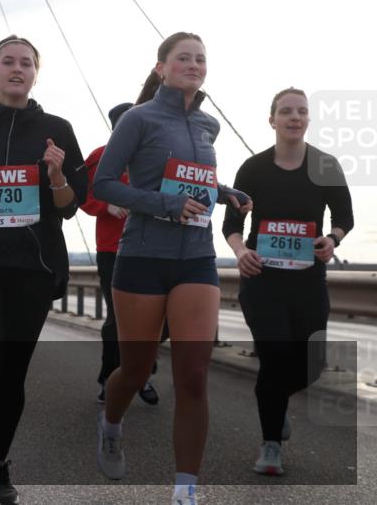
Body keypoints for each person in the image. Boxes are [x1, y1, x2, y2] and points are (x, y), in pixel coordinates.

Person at [93, 33, 252, 504]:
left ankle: (186, 491)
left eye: (200, 59)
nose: (194, 64)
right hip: (142, 257)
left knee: (193, 376)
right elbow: (103, 184)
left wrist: (224, 193)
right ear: (161, 67)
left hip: (197, 260)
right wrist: (165, 205)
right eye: (183, 57)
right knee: (136, 368)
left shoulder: (208, 126)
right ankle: (111, 423)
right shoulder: (138, 120)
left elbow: (192, 177)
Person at [0, 36, 87, 505]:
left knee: (13, 373)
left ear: (34, 74)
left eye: (26, 63)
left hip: (33, 268)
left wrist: (57, 178)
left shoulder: (57, 130)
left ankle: (0, 461)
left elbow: (70, 207)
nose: (17, 68)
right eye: (8, 61)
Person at [223, 88, 354, 476]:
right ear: (272, 120)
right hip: (262, 280)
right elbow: (232, 225)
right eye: (286, 111)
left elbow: (344, 216)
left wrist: (332, 240)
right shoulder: (253, 168)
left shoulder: (325, 166)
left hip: (308, 281)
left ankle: (273, 398)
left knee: (313, 365)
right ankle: (271, 444)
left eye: (301, 111)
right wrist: (240, 253)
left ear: (308, 119)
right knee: (276, 357)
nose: (294, 117)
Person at [82, 102, 160, 405]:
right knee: (118, 321)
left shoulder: (157, 155)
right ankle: (110, 377)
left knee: (154, 321)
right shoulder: (100, 156)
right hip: (113, 250)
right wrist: (107, 206)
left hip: (154, 248)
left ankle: (142, 374)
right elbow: (82, 196)